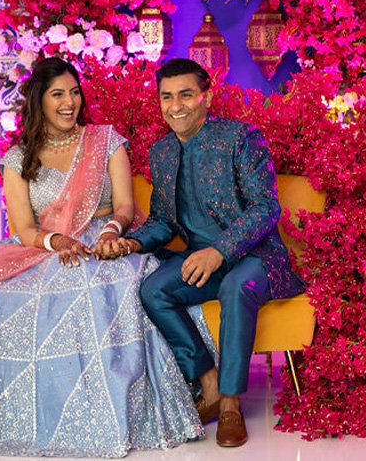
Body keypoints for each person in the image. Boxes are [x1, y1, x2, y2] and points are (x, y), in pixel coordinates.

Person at [0, 57, 203, 457]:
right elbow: (26, 229)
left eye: (75, 92)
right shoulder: (19, 157)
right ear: (39, 100)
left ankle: (112, 415)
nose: (70, 102)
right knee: (2, 302)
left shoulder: (105, 140)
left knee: (110, 290)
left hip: (106, 242)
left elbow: (124, 206)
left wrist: (112, 232)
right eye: (58, 94)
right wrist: (59, 243)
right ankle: (36, 421)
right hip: (44, 250)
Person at [118, 58, 305, 448]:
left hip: (256, 258)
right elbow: (163, 221)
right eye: (166, 97)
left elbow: (265, 208)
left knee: (237, 285)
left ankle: (232, 405)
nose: (176, 106)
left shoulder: (241, 138)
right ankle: (210, 384)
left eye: (185, 94)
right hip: (203, 260)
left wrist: (220, 250)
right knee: (154, 290)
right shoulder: (162, 153)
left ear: (206, 96)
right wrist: (132, 242)